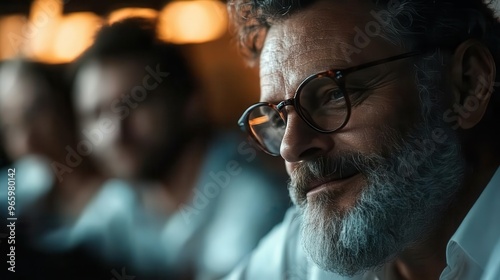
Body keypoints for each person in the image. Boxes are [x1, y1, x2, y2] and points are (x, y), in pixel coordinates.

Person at [226, 0, 500, 279]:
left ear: (468, 85)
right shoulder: (307, 249)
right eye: (278, 120)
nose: (291, 147)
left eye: (333, 94)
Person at [68, 18, 290, 280]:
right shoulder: (122, 199)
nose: (115, 133)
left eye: (134, 104)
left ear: (191, 104)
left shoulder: (254, 197)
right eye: (96, 114)